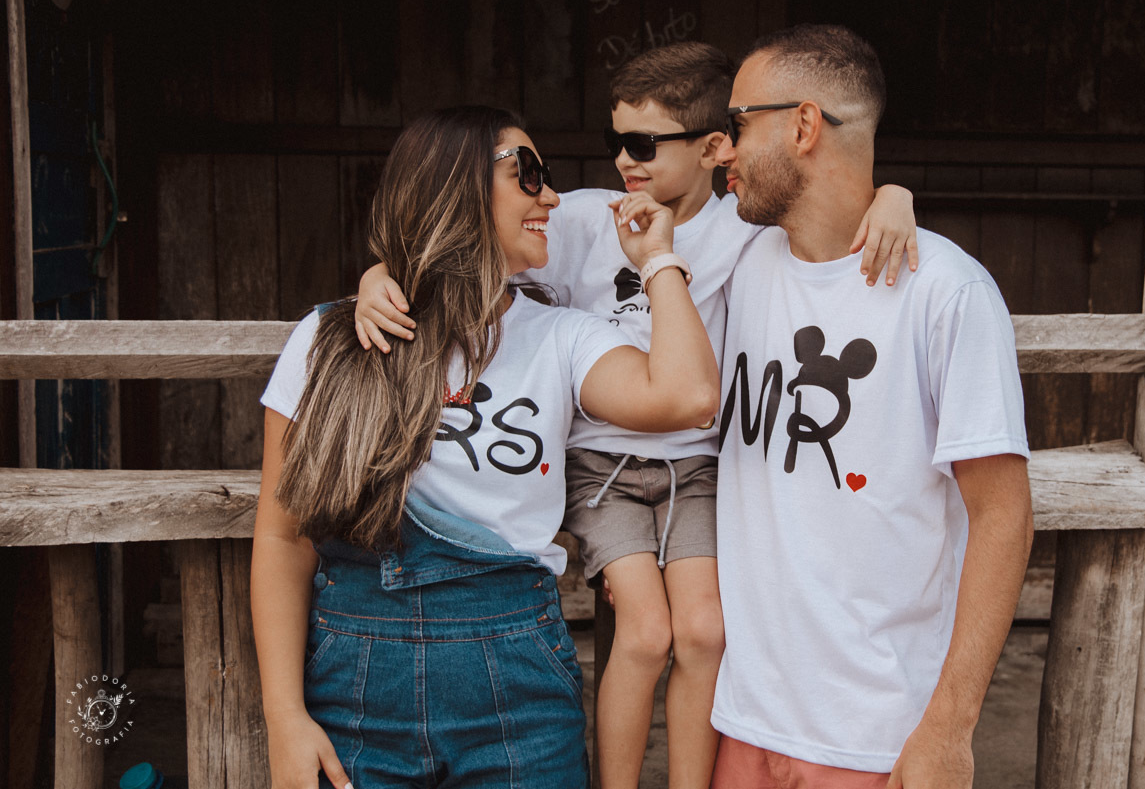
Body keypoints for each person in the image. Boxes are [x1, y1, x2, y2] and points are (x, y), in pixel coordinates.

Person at [353, 44, 918, 789]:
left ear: (715, 148)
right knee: (648, 632)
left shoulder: (746, 231)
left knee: (706, 630)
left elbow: (833, 209)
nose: (624, 159)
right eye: (616, 140)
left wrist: (894, 195)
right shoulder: (585, 219)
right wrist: (378, 273)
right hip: (604, 467)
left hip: (696, 463)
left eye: (644, 144)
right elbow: (466, 247)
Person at [250, 105, 723, 789]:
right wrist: (283, 714)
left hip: (517, 689)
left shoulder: (562, 336)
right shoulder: (332, 339)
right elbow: (283, 535)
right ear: (454, 186)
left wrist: (658, 260)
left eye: (548, 177)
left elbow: (689, 395)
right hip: (357, 689)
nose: (551, 197)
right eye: (527, 174)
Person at [710, 24, 1034, 789]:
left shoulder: (946, 293)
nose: (722, 149)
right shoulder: (739, 258)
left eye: (737, 124)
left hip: (876, 740)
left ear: (803, 124)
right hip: (747, 720)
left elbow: (1003, 515)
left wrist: (948, 731)